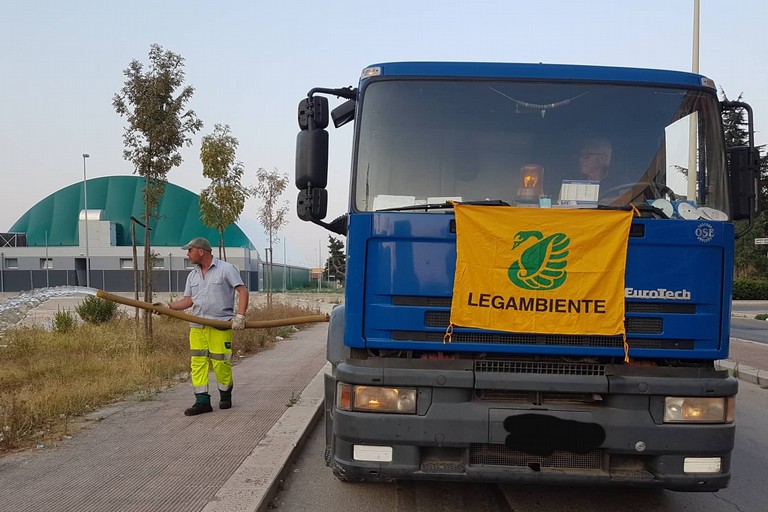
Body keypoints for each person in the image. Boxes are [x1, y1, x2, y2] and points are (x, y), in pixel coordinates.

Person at [162, 237, 249, 416]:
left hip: (220, 325)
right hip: (197, 326)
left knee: (221, 362)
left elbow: (242, 291)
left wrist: (240, 316)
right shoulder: (192, 275)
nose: (187, 254)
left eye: (190, 250)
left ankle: (225, 394)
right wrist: (167, 307)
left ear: (201, 251)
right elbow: (188, 300)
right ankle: (202, 401)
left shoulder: (226, 269)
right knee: (198, 363)